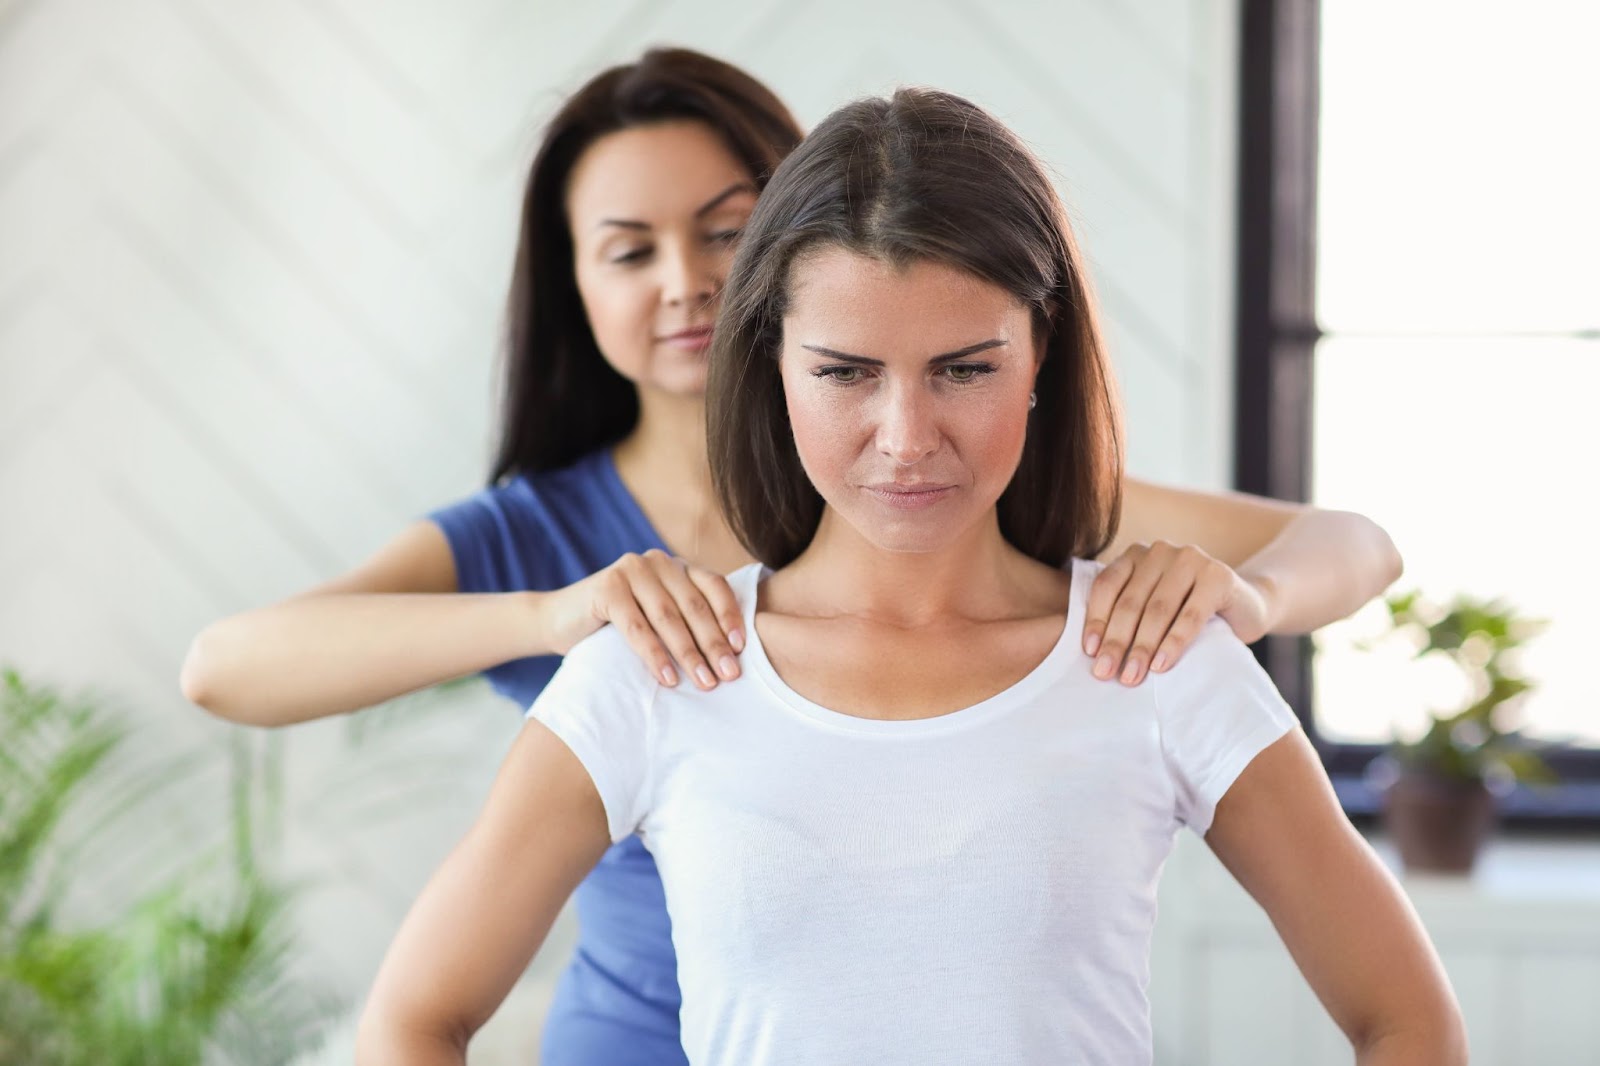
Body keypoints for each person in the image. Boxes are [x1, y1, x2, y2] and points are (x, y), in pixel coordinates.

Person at [182, 49, 1405, 1066]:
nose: (905, 439)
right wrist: (550, 617)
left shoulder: (1057, 552)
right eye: (630, 250)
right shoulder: (582, 605)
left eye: (722, 231)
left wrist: (1252, 599)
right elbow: (229, 670)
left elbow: (1354, 545)